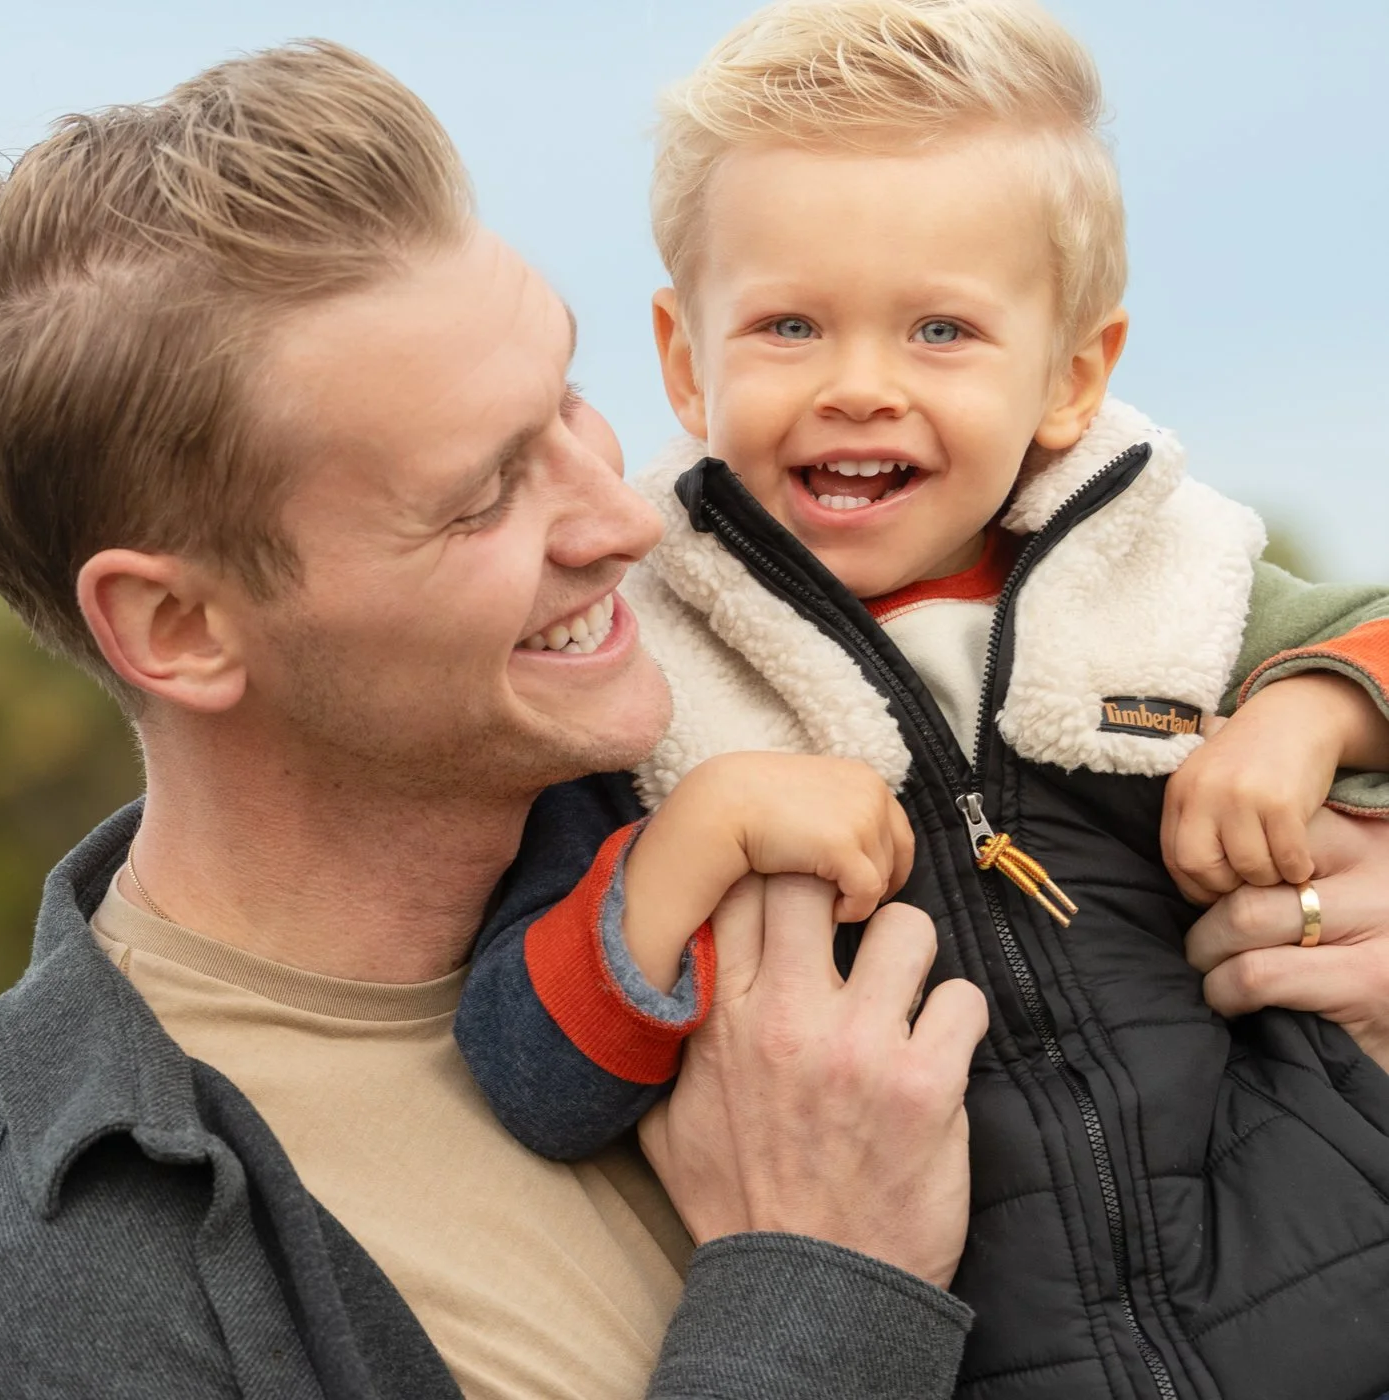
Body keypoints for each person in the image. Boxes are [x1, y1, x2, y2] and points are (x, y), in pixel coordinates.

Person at [0, 40, 993, 1400]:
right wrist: (823, 1281)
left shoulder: (752, 787)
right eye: (486, 494)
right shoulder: (62, 1272)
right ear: (179, 626)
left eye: (568, 398)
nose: (626, 521)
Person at [453, 3, 1389, 1399]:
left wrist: (1310, 711)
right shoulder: (648, 673)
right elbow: (530, 1070)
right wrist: (692, 839)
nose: (859, 388)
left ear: (1072, 375)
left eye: (941, 329)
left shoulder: (1161, 582)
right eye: (789, 325)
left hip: (1339, 1287)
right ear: (687, 361)